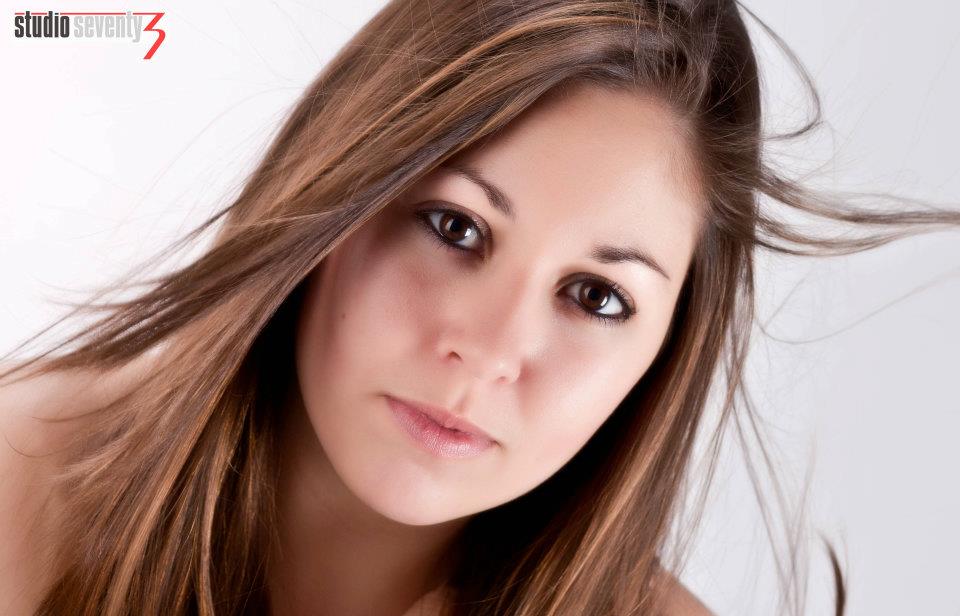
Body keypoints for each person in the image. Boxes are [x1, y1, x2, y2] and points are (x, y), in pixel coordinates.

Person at [0, 1, 957, 615]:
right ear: (335, 194)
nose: (493, 351)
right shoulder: (21, 482)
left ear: (664, 351)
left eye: (597, 296)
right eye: (456, 228)